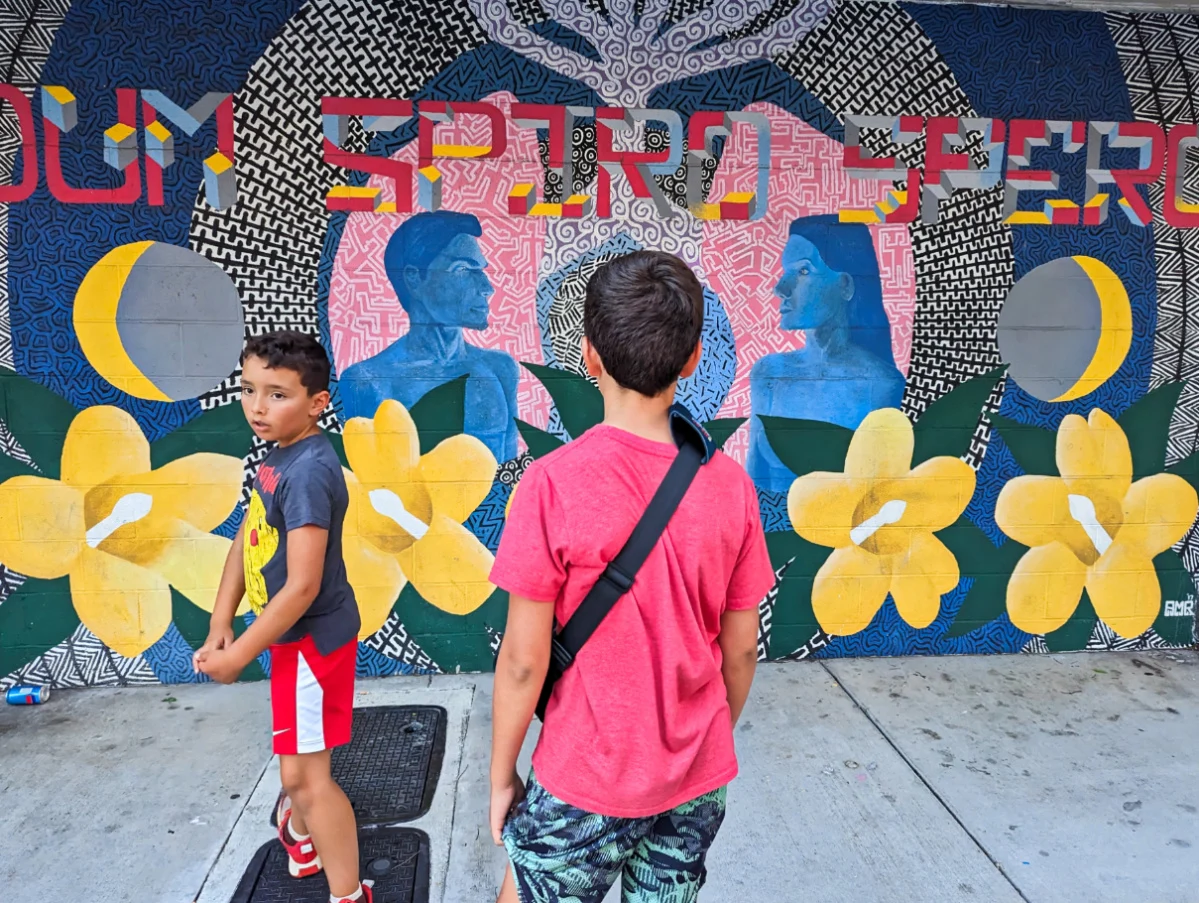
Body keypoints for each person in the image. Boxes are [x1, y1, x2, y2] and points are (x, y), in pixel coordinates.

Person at [488, 251, 775, 903]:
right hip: (696, 779)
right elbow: (741, 650)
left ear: (587, 355)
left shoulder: (551, 483)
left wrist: (501, 774)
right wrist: (696, 745)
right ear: (693, 357)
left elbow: (524, 662)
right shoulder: (729, 486)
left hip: (585, 777)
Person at [194, 330, 370, 903]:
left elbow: (301, 586)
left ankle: (348, 893)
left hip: (312, 645)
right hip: (290, 642)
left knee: (308, 780)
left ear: (317, 402)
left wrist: (241, 652)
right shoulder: (279, 455)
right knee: (298, 770)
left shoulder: (310, 470)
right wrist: (223, 618)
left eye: (277, 394)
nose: (257, 407)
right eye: (249, 390)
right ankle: (298, 832)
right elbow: (248, 534)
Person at [338, 210, 519, 460]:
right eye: (463, 269)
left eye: (481, 270)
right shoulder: (368, 381)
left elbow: (510, 474)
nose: (487, 288)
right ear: (414, 278)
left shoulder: (501, 368)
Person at [747, 214, 905, 492]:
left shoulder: (883, 385)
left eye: (803, 271)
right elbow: (753, 485)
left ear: (845, 285)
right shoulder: (769, 374)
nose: (780, 288)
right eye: (785, 272)